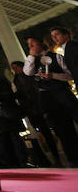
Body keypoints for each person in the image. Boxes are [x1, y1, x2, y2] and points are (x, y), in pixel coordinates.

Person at [24, 36, 78, 167]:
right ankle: (73, 157)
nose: (31, 47)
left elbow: (70, 75)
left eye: (33, 44)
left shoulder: (56, 57)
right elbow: (27, 72)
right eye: (29, 45)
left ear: (40, 43)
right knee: (61, 128)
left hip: (62, 92)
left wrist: (53, 76)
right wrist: (31, 56)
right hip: (47, 97)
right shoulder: (32, 60)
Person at [11, 60, 60, 166]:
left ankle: (56, 157)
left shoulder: (30, 76)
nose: (15, 70)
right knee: (41, 133)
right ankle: (49, 158)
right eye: (13, 68)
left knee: (47, 132)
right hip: (30, 110)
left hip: (38, 107)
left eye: (16, 67)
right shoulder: (16, 79)